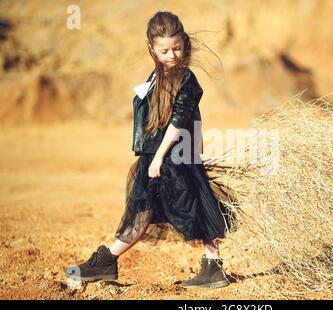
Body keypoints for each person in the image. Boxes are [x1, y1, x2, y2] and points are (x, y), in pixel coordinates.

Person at [64, 11, 232, 289]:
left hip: (169, 157)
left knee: (169, 209)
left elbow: (179, 121)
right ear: (151, 48)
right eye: (165, 50)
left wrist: (161, 158)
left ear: (184, 43)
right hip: (159, 155)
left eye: (177, 48)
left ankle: (107, 261)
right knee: (163, 208)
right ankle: (212, 266)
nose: (172, 55)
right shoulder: (157, 75)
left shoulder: (185, 79)